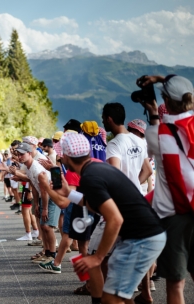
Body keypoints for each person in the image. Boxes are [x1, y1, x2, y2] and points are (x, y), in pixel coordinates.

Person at [39, 133, 166, 304]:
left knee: (110, 298)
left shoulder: (91, 177)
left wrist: (97, 257)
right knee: (119, 296)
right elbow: (94, 203)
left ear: (66, 156)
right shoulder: (97, 169)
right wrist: (69, 193)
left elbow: (115, 219)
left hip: (142, 237)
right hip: (146, 234)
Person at [138, 74, 194, 304]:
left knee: (176, 284)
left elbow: (155, 124)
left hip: (174, 216)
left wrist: (152, 109)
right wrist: (163, 78)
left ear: (165, 101)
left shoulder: (158, 135)